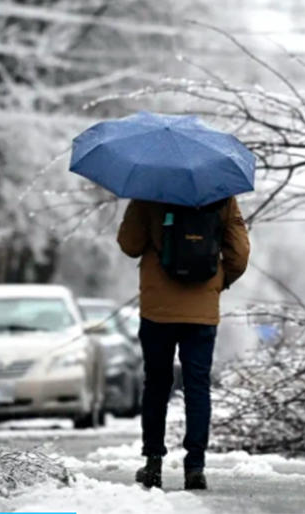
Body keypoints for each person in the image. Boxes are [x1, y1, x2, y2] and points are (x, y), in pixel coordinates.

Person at [117, 196, 250, 491]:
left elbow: (129, 245)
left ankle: (153, 463)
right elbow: (239, 255)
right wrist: (216, 282)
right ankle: (195, 466)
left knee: (157, 384)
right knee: (197, 386)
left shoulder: (148, 192)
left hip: (157, 310)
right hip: (202, 312)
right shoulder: (223, 196)